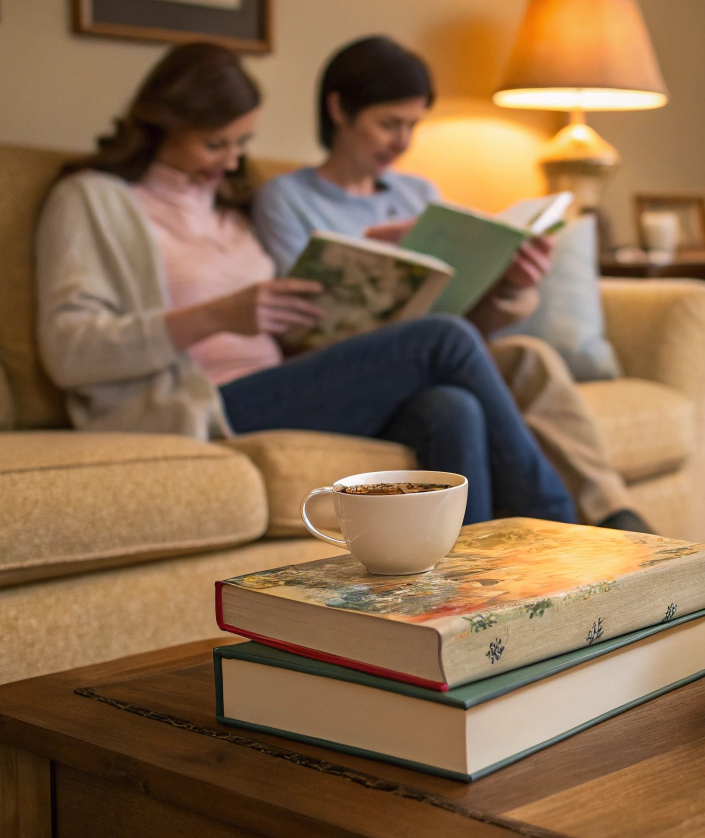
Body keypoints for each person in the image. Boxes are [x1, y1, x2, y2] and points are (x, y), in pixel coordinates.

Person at [35, 42, 575, 527]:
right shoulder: (92, 199)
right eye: (215, 143)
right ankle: (561, 526)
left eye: (242, 143)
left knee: (451, 407)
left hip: (280, 385)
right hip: (201, 403)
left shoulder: (232, 209)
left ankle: (475, 588)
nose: (232, 161)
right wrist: (219, 316)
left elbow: (304, 327)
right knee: (445, 339)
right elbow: (69, 351)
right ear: (162, 125)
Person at [252, 36, 650, 532]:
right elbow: (297, 325)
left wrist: (510, 284)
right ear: (338, 110)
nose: (402, 142)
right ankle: (556, 517)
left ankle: (613, 511)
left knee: (528, 357)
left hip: (434, 354)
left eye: (412, 125)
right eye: (389, 124)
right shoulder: (286, 198)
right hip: (358, 366)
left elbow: (460, 321)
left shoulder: (417, 193)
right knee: (455, 382)